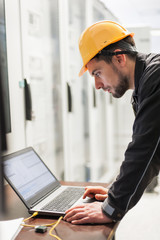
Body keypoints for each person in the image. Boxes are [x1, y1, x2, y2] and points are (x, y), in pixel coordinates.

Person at [64, 20, 160, 224]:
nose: (97, 85)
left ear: (119, 58)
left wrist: (111, 209)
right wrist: (114, 193)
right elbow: (153, 154)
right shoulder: (144, 85)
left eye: (97, 73)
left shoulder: (157, 78)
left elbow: (144, 150)